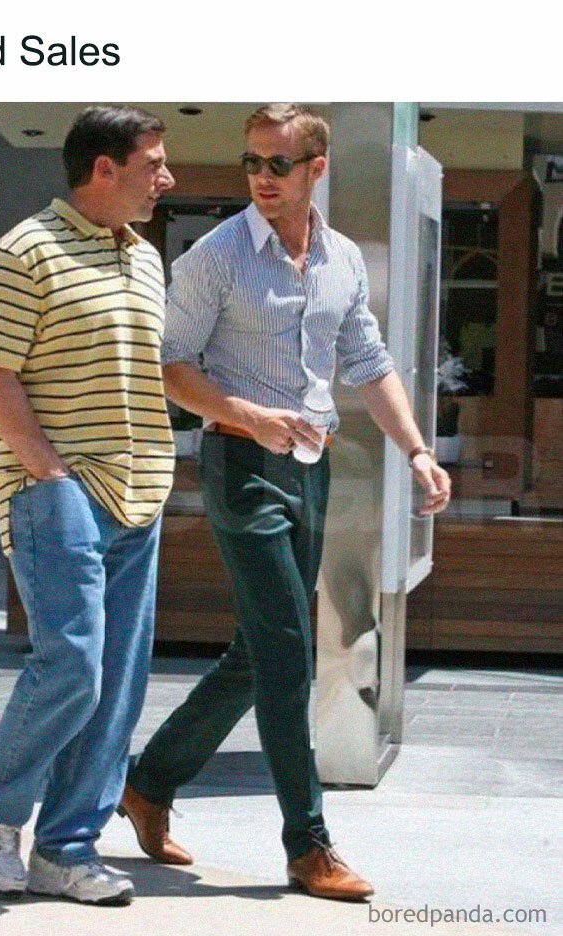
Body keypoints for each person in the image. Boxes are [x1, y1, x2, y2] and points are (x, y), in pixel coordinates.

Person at [119, 103, 451, 901]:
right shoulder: (218, 256)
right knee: (287, 653)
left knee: (257, 652)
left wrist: (416, 450)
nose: (261, 178)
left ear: (316, 170)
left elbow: (370, 363)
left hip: (312, 468)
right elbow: (169, 364)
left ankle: (149, 782)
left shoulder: (339, 259)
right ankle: (307, 845)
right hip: (241, 463)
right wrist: (248, 416)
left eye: (277, 164)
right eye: (251, 163)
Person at [0, 105, 175, 905]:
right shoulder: (25, 250)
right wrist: (49, 473)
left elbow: (157, 370)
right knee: (74, 664)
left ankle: (66, 850)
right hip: (57, 488)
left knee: (116, 682)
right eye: (153, 163)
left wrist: (246, 415)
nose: (167, 177)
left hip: (139, 489)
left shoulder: (145, 258)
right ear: (103, 169)